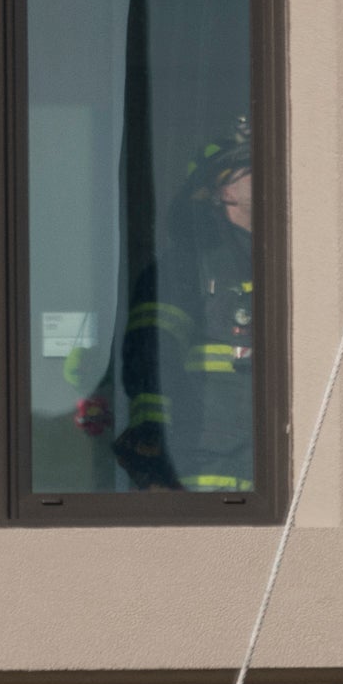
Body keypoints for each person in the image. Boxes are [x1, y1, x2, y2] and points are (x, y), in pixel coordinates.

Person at [107, 120, 262, 493]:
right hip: (202, 480)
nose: (269, 175)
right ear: (224, 190)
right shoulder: (185, 268)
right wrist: (154, 447)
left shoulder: (278, 265)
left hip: (267, 475)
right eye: (252, 166)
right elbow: (151, 355)